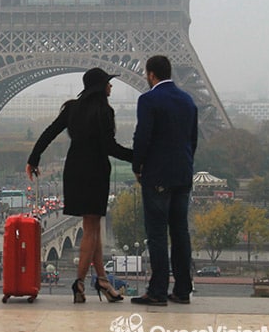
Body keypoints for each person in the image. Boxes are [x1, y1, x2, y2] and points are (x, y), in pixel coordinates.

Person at [26, 67, 132, 303]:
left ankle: (102, 280)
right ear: (100, 86)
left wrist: (33, 159)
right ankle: (81, 282)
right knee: (92, 227)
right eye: (108, 82)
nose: (111, 86)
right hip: (95, 170)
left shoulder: (72, 108)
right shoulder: (104, 111)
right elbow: (110, 147)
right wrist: (139, 157)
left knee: (91, 227)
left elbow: (49, 132)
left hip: (74, 170)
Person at [130, 55, 198, 306]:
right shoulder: (188, 100)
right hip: (182, 173)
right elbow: (193, 139)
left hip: (158, 174)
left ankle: (158, 291)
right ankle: (182, 289)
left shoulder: (149, 100)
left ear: (150, 75)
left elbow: (143, 137)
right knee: (180, 232)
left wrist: (137, 166)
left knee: (157, 234)